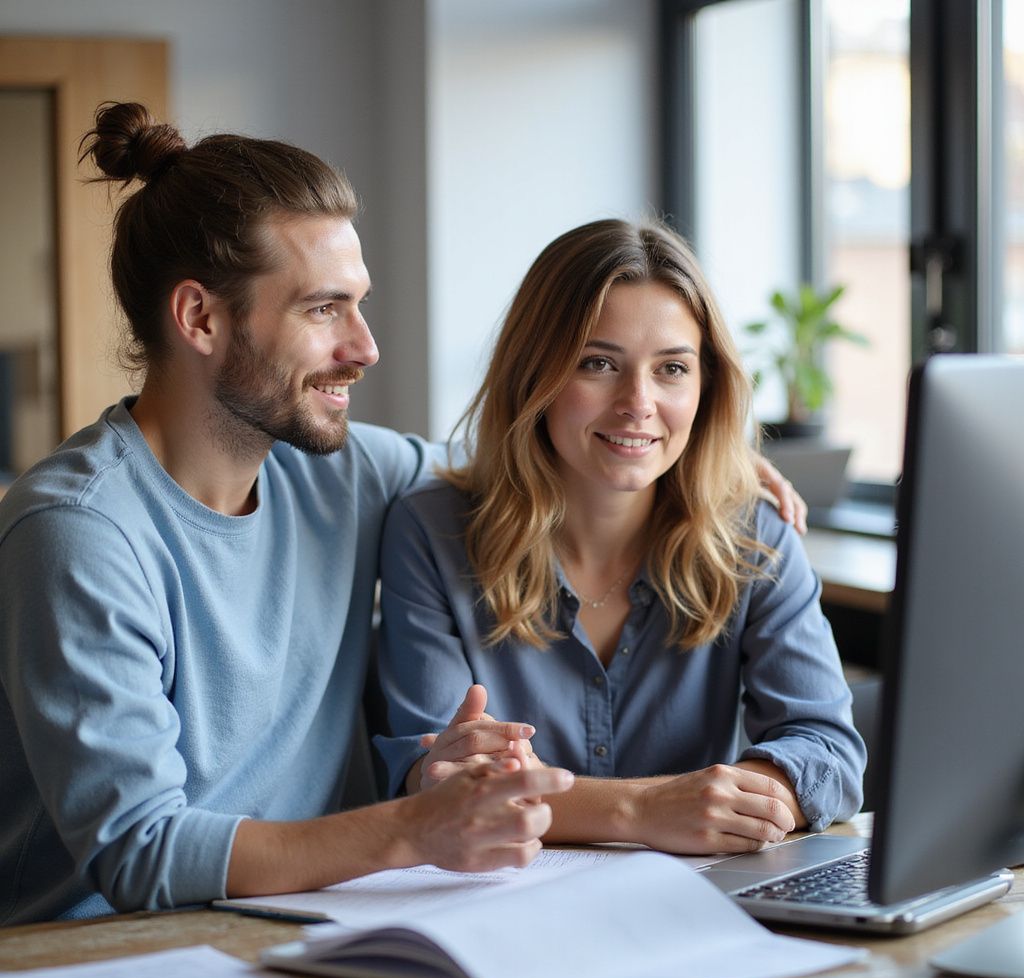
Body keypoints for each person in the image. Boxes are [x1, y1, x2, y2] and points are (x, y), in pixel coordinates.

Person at [0, 101, 579, 926]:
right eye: (322, 309)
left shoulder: (350, 473)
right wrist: (413, 827)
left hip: (314, 931)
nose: (365, 346)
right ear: (200, 317)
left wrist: (722, 481)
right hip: (102, 960)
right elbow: (140, 850)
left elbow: (541, 474)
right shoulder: (78, 533)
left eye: (360, 303)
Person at [374, 219, 866, 854]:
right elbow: (439, 783)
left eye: (671, 369)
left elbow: (827, 751)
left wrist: (730, 798)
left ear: (705, 388)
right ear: (535, 376)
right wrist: (644, 809)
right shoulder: (431, 532)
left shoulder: (757, 535)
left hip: (697, 907)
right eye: (597, 363)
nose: (639, 402)